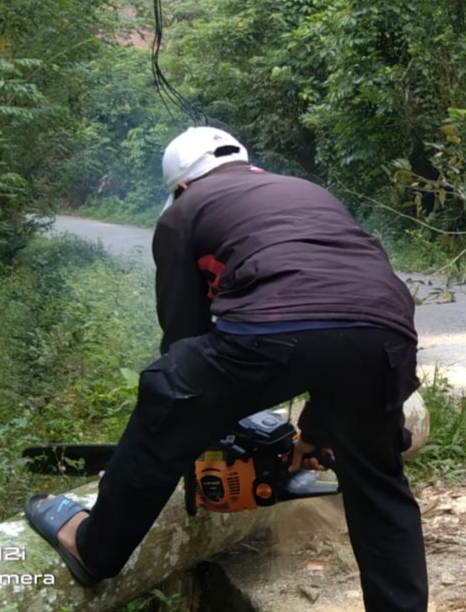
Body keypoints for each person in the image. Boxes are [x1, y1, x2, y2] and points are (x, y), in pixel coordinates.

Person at [24, 127, 429, 611]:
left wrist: (197, 419)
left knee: (168, 386)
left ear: (181, 186)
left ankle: (94, 547)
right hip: (387, 331)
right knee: (379, 483)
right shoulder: (307, 190)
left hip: (273, 329)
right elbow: (340, 322)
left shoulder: (182, 212)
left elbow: (183, 338)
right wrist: (318, 432)